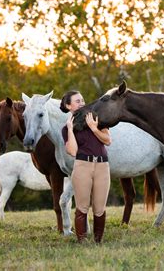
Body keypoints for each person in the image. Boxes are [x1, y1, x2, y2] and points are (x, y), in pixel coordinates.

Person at [60, 90, 112, 243]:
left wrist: (94, 128)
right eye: (77, 101)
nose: (82, 103)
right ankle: (82, 241)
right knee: (82, 207)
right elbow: (73, 151)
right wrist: (70, 129)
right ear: (68, 106)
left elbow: (108, 141)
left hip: (102, 166)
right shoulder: (66, 129)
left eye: (82, 100)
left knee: (100, 208)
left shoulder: (98, 119)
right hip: (82, 166)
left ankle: (98, 241)